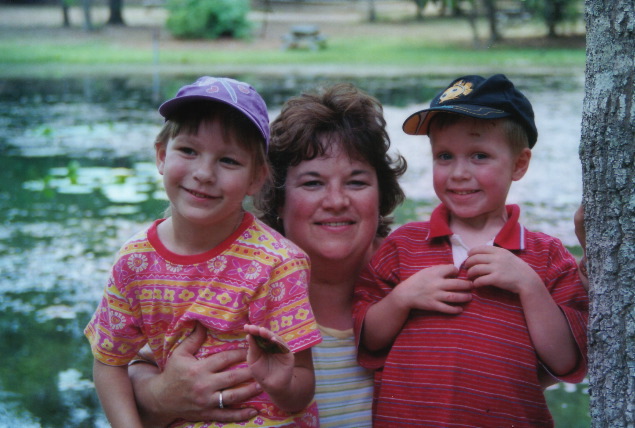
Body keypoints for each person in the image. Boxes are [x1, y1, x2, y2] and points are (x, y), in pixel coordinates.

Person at [129, 82, 408, 428]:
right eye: (312, 183)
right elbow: (131, 367)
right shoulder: (230, 275)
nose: (336, 201)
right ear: (276, 196)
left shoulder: (414, 278)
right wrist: (159, 396)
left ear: (382, 193)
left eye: (356, 182)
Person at [84, 76, 322, 428]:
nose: (204, 173)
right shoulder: (133, 262)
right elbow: (108, 361)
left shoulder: (277, 264)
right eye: (189, 151)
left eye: (228, 161)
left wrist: (281, 382)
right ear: (162, 156)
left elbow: (302, 386)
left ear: (256, 179)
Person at [353, 74, 589, 426]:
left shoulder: (547, 256)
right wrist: (402, 298)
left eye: (479, 156)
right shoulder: (403, 246)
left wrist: (529, 286)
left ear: (519, 164)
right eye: (444, 156)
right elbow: (367, 340)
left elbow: (566, 361)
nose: (459, 173)